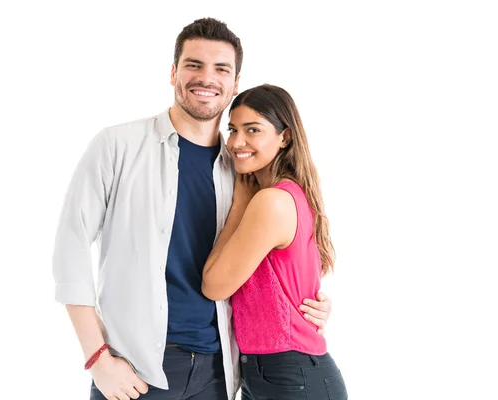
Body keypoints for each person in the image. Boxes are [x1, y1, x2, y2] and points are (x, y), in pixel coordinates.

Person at [52, 18, 333, 400]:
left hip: (220, 371)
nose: (207, 78)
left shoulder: (243, 171)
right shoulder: (117, 146)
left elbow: (272, 262)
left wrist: (311, 304)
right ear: (173, 72)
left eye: (221, 68)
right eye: (194, 64)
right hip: (135, 370)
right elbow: (69, 249)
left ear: (234, 84)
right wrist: (97, 358)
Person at [202, 84, 348, 399]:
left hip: (290, 376)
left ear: (284, 136)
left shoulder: (272, 202)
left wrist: (240, 206)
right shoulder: (292, 195)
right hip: (276, 373)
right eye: (232, 129)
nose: (236, 142)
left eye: (252, 130)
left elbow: (214, 286)